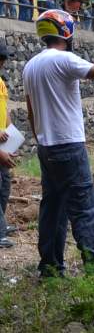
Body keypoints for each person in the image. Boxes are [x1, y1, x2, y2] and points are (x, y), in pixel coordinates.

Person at [23, 9, 94, 278]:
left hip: (46, 147)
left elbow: (31, 113)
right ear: (65, 31)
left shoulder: (30, 66)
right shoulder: (64, 59)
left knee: (53, 208)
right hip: (69, 145)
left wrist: (42, 140)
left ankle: (50, 268)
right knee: (85, 209)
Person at [0, 41, 18, 249]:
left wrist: (12, 135)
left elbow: (4, 110)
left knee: (4, 185)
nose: (3, 63)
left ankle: (1, 224)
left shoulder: (1, 83)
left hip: (4, 142)